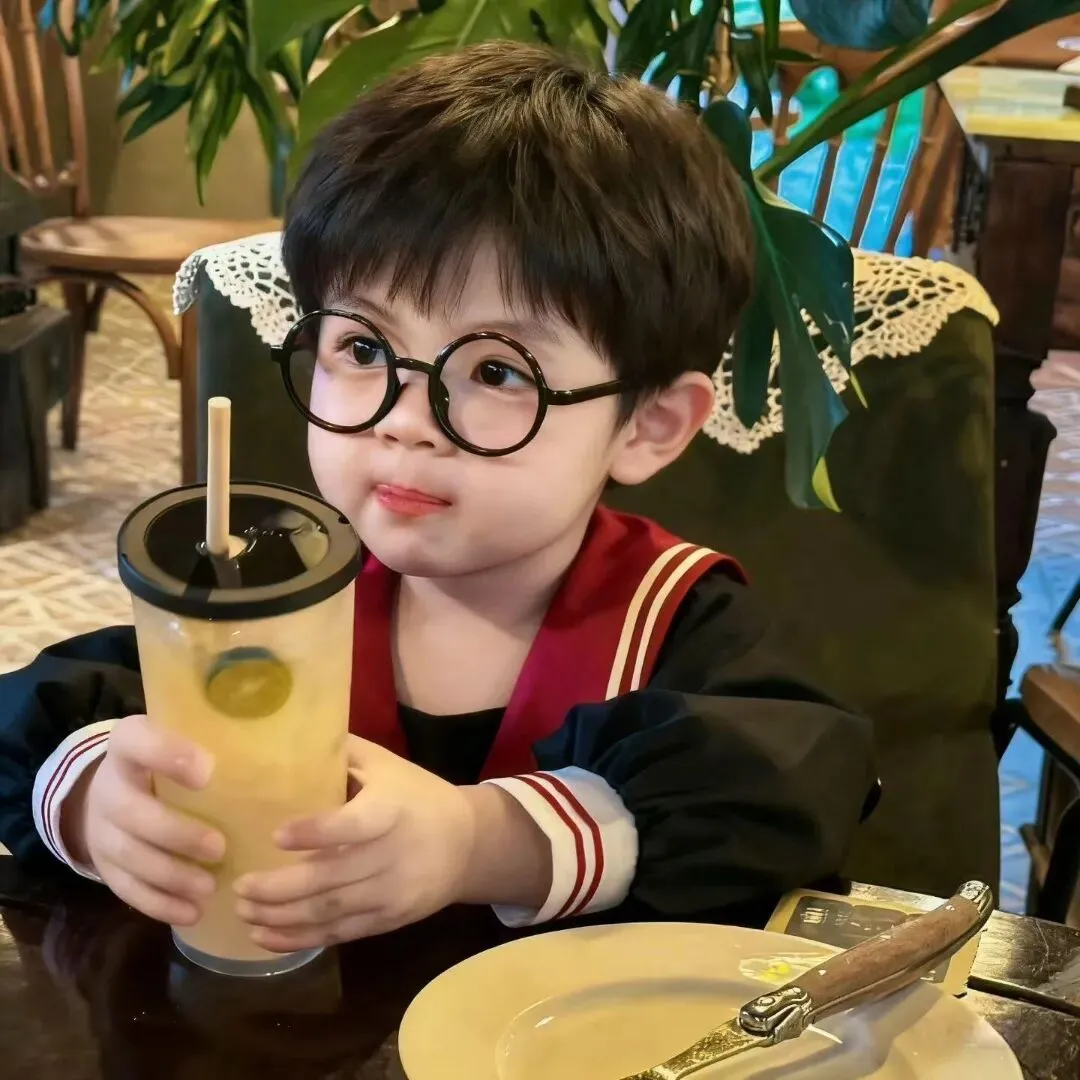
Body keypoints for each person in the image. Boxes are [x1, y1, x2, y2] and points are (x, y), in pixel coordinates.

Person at [0, 42, 876, 952]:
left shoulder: (678, 620)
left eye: (496, 370)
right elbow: (39, 712)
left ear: (648, 426)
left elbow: (793, 793)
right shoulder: (277, 588)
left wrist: (478, 844)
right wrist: (94, 799)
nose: (406, 421)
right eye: (363, 349)